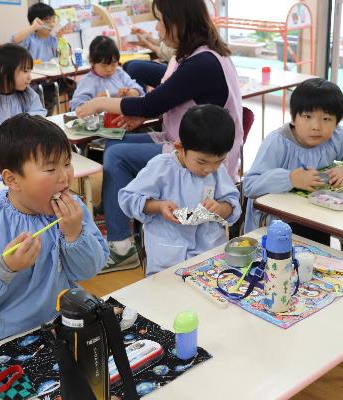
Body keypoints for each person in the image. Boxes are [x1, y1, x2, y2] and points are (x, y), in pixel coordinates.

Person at [76, 0, 243, 271]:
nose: (157, 27)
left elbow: (149, 104)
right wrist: (143, 113)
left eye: (159, 20)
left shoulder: (202, 63)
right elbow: (162, 99)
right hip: (185, 141)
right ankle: (127, 226)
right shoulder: (198, 54)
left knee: (117, 154)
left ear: (176, 22)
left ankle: (120, 246)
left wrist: (99, 103)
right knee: (113, 145)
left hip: (200, 148)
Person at [0, 114, 109, 358]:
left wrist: (74, 235)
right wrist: (4, 266)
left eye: (66, 163)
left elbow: (88, 270)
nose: (64, 176)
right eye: (51, 168)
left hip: (55, 332)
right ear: (12, 179)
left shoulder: (73, 210)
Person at [243, 78, 343, 259]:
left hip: (320, 213)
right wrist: (291, 179)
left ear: (336, 122)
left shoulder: (336, 136)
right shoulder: (278, 142)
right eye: (307, 117)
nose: (316, 126)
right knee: (313, 246)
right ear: (294, 117)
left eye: (326, 119)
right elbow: (250, 185)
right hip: (280, 224)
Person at [119, 105, 240, 275]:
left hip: (209, 254)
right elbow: (128, 198)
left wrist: (220, 208)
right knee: (169, 298)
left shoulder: (217, 170)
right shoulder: (162, 167)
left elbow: (232, 204)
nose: (210, 169)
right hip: (168, 257)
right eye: (201, 162)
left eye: (219, 160)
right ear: (179, 147)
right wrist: (159, 206)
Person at [12, 3, 72, 114]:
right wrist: (32, 28)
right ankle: (46, 118)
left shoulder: (53, 38)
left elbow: (62, 57)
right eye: (48, 21)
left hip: (53, 78)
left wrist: (60, 38)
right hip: (34, 82)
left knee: (73, 86)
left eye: (54, 20)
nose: (52, 24)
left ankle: (74, 113)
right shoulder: (30, 38)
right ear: (37, 23)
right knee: (48, 92)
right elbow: (15, 40)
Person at [70, 35, 143, 111]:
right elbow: (76, 107)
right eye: (104, 66)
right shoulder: (87, 81)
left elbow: (139, 91)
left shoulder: (119, 73)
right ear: (91, 61)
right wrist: (95, 102)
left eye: (113, 64)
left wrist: (130, 92)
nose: (109, 69)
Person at [123, 26, 175, 90]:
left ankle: (141, 95)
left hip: (179, 69)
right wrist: (149, 38)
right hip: (172, 65)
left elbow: (175, 54)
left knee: (134, 67)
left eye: (160, 20)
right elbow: (168, 47)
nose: (156, 27)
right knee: (127, 65)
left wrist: (148, 44)